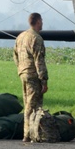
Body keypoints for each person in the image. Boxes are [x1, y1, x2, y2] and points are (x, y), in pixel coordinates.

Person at [13, 12, 48, 142]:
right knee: (33, 106)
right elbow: (39, 61)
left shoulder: (20, 37)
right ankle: (29, 134)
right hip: (33, 75)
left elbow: (15, 55)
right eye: (41, 20)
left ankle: (30, 133)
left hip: (23, 73)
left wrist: (20, 68)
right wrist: (43, 80)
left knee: (27, 102)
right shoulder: (36, 38)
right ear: (38, 21)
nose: (42, 23)